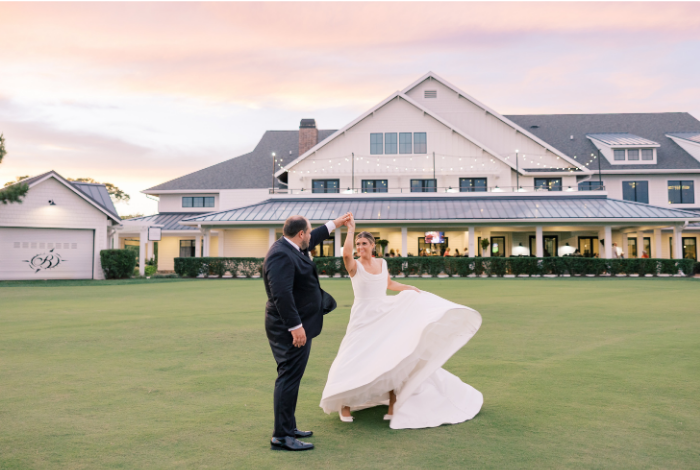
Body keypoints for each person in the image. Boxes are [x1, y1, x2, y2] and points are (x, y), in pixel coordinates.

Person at [320, 214, 483, 429]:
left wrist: (409, 289)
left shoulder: (382, 263)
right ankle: (345, 404)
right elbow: (347, 253)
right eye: (358, 244)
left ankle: (393, 402)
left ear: (373, 246)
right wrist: (350, 230)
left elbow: (388, 284)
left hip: (385, 313)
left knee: (389, 355)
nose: (360, 247)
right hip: (363, 316)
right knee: (353, 355)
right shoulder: (355, 267)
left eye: (364, 244)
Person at [263, 212, 351, 451]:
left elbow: (315, 238)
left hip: (300, 323)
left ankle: (288, 427)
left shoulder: (293, 245)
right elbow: (282, 294)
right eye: (309, 232)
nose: (311, 237)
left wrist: (337, 224)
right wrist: (295, 327)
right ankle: (281, 436)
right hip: (289, 327)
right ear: (300, 233)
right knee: (288, 378)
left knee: (292, 377)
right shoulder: (281, 254)